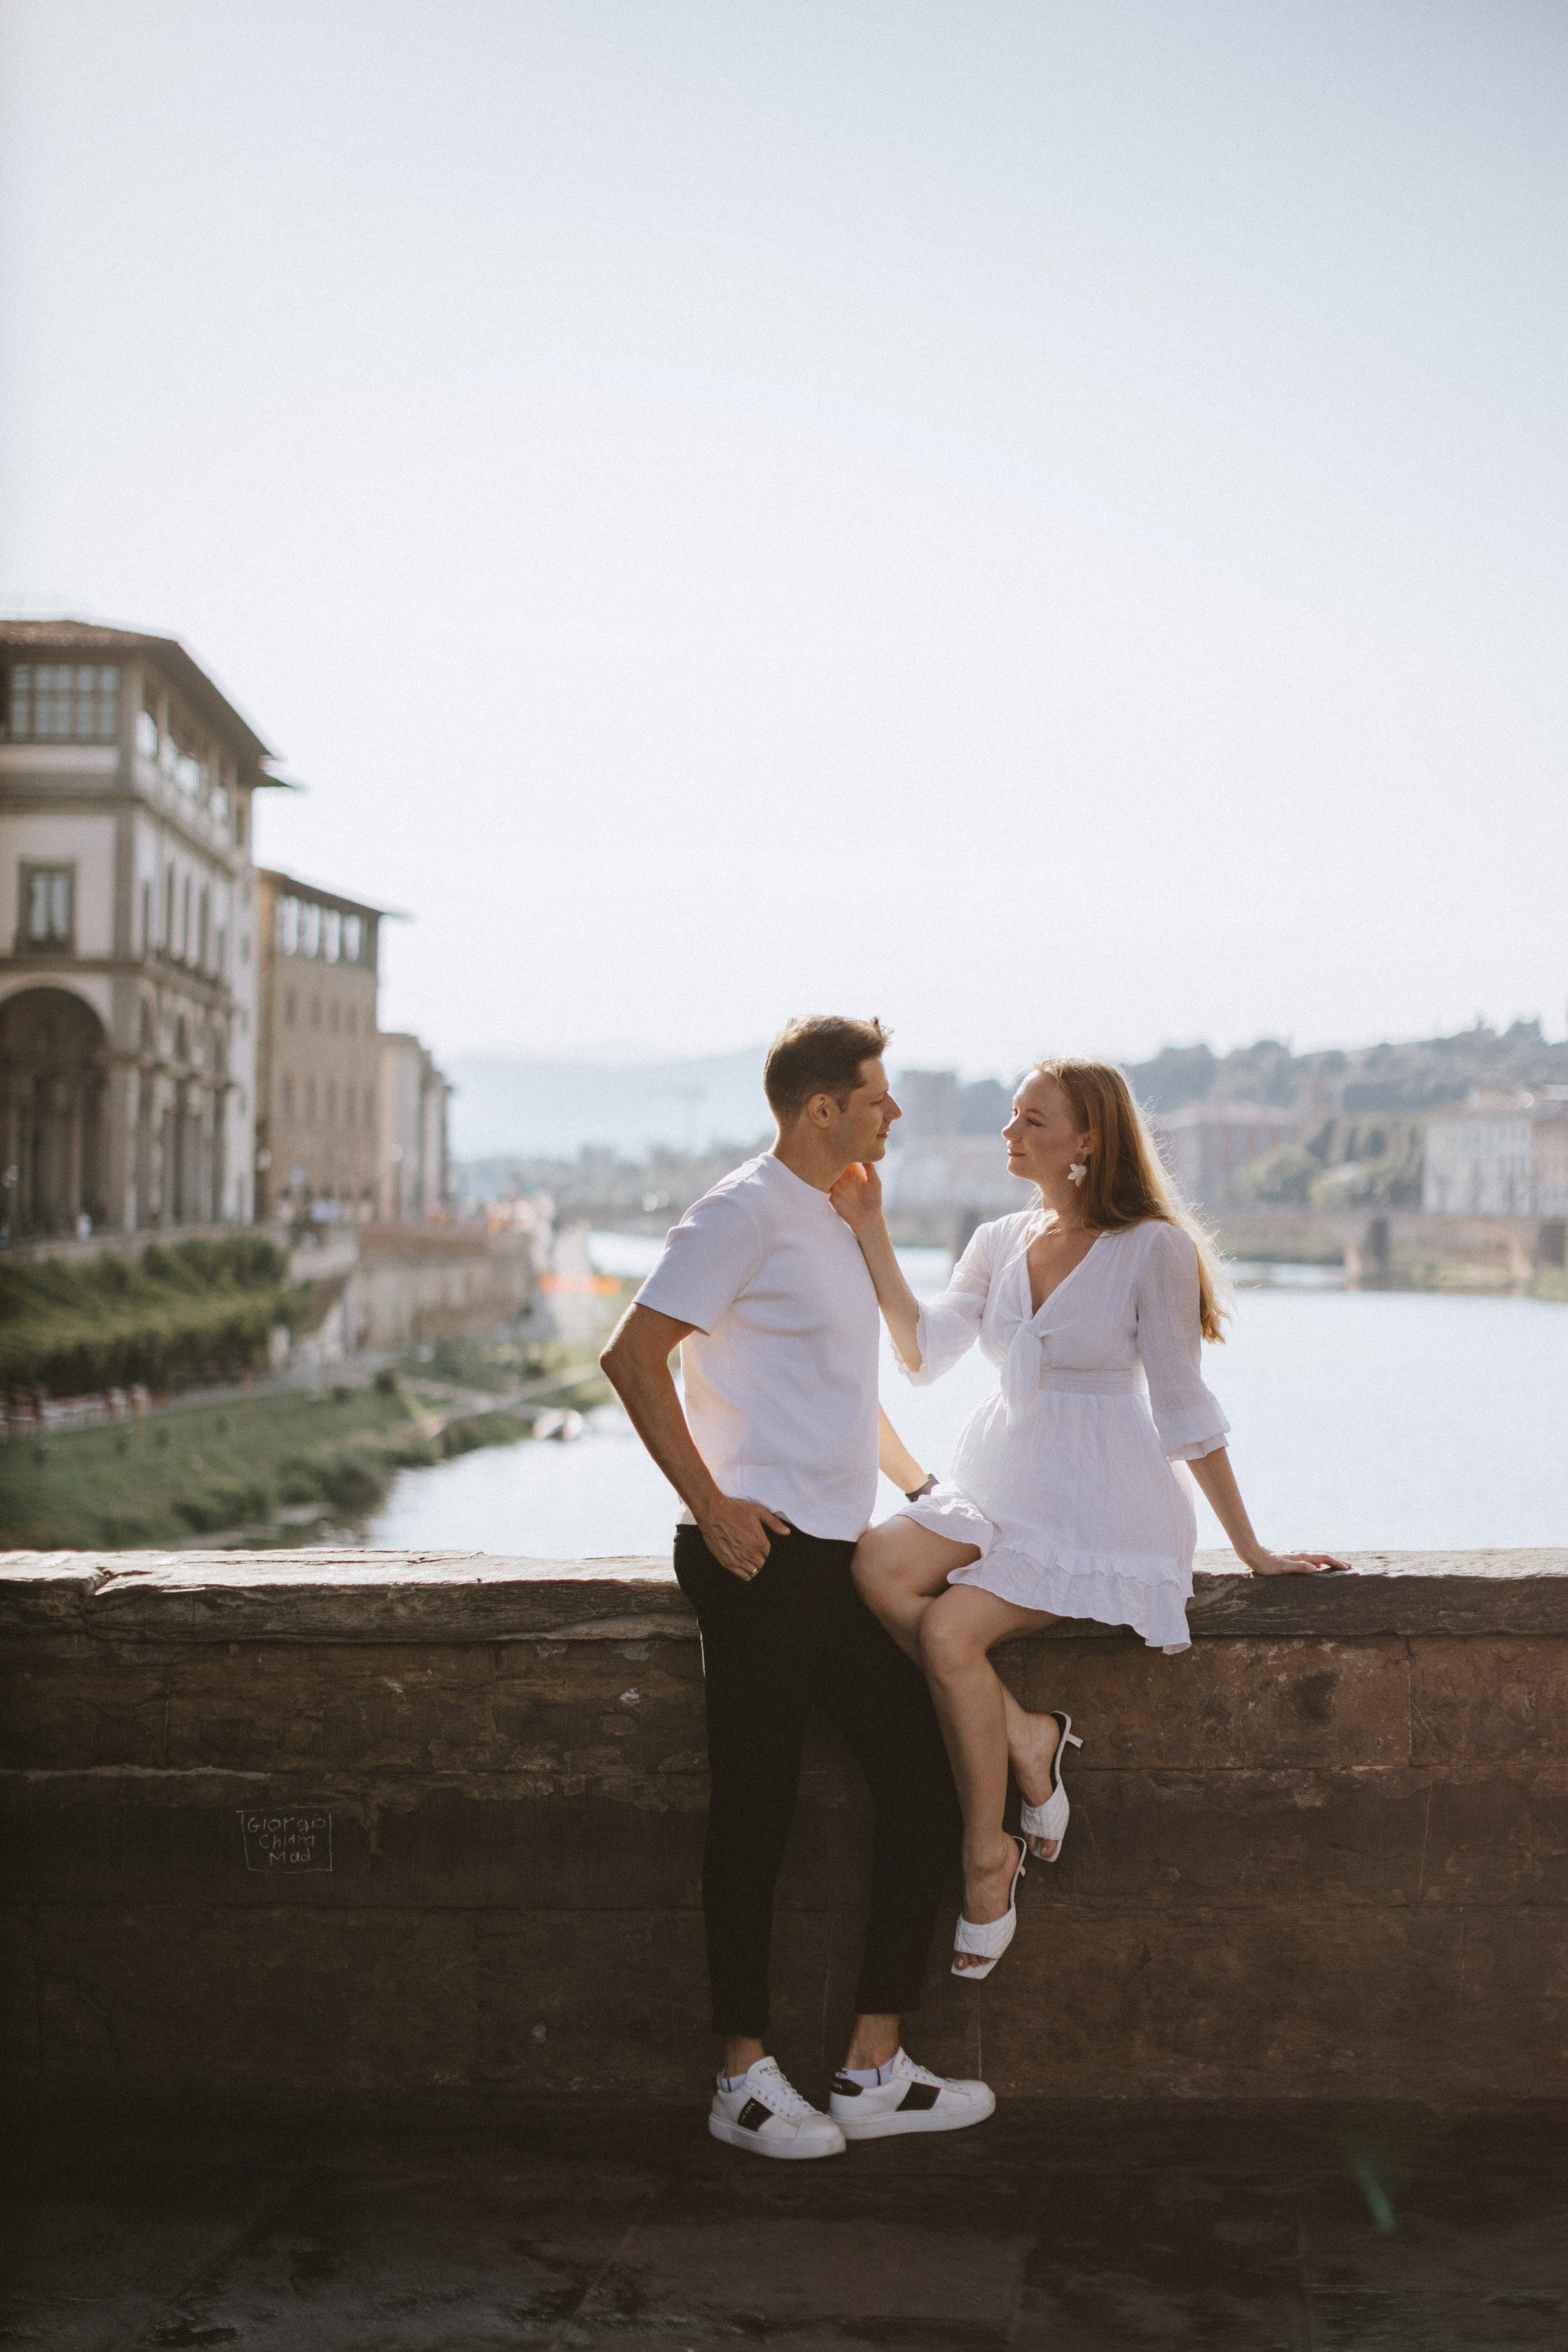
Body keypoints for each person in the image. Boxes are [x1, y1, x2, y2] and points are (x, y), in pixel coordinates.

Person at [832, 1057, 1349, 1983]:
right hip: (1001, 1477)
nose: (1010, 1132)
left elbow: (1186, 1409)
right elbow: (921, 1352)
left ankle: (988, 1856)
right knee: (874, 1562)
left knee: (951, 1629)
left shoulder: (1154, 1248)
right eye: (1012, 1116)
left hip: (1101, 1495)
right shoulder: (997, 1239)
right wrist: (871, 1231)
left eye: (1033, 1119)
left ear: (1087, 1140)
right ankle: (1030, 1736)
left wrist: (1252, 1549)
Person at [600, 1016, 993, 2162]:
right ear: (822, 1108)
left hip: (831, 1555)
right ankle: (740, 2078)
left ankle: (871, 2067)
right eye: (879, 1095)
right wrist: (713, 1505)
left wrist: (929, 1488)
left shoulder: (830, 1217)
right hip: (759, 1559)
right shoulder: (739, 1212)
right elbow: (633, 1357)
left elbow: (835, 1392)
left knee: (922, 1777)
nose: (896, 1113)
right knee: (756, 1808)